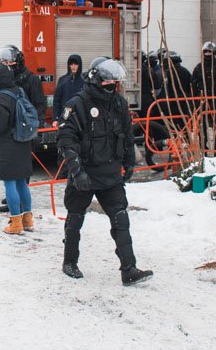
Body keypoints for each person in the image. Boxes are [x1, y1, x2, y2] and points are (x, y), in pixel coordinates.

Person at [57, 57, 152, 285]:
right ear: (95, 80)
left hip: (110, 174)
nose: (111, 88)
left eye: (114, 84)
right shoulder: (77, 104)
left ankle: (129, 269)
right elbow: (66, 140)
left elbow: (127, 135)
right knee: (75, 219)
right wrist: (77, 171)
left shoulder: (118, 104)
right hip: (85, 175)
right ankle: (69, 262)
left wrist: (129, 161)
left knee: (121, 218)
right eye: (107, 83)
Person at [0, 63, 36, 235]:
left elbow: (0, 126)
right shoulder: (19, 91)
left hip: (8, 145)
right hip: (23, 142)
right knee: (22, 182)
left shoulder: (1, 98)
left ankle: (15, 223)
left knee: (9, 182)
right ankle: (28, 220)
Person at [191, 41, 216, 153]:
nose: (208, 54)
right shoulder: (199, 67)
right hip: (202, 101)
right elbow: (193, 85)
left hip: (215, 101)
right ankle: (203, 148)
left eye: (210, 52)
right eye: (206, 52)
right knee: (202, 126)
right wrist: (194, 100)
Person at [51, 54, 84, 124]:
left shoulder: (84, 81)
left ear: (79, 65)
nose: (73, 66)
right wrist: (55, 118)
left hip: (80, 118)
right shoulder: (62, 80)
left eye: (76, 64)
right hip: (64, 117)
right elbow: (56, 101)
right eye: (71, 64)